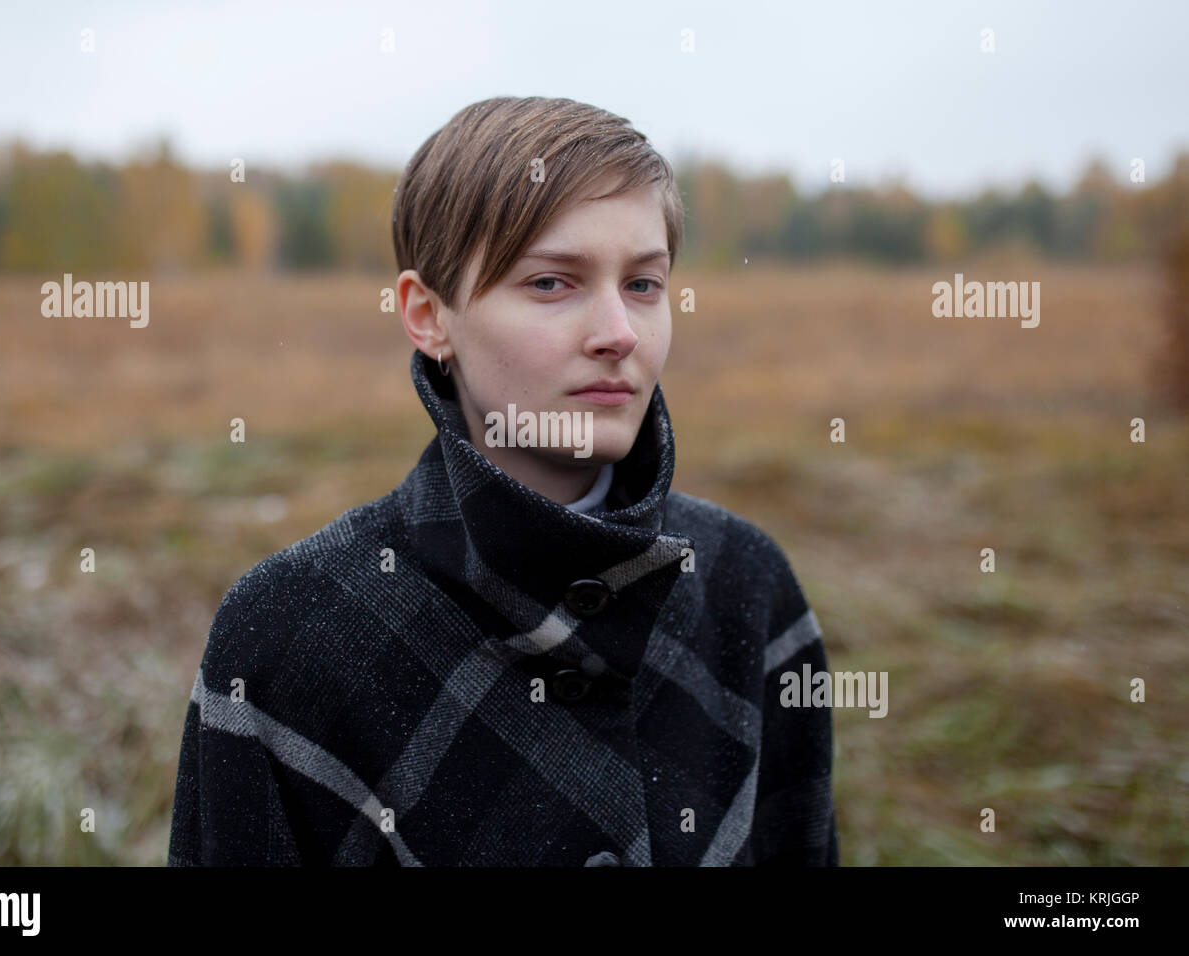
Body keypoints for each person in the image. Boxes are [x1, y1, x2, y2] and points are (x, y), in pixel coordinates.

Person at [167, 95, 839, 866]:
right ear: (428, 315)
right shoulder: (288, 636)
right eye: (552, 283)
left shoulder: (744, 588)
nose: (618, 332)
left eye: (644, 285)